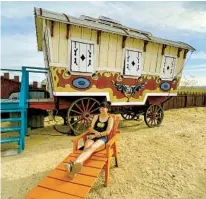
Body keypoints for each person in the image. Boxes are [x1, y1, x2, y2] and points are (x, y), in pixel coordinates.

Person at [65, 101, 114, 179]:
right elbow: (91, 128)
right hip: (93, 136)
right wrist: (95, 134)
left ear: (107, 109)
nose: (101, 109)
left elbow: (107, 132)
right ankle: (74, 169)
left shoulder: (110, 119)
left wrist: (98, 134)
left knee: (92, 147)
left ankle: (74, 164)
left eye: (103, 107)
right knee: (86, 146)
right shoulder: (96, 117)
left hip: (102, 138)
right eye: (100, 107)